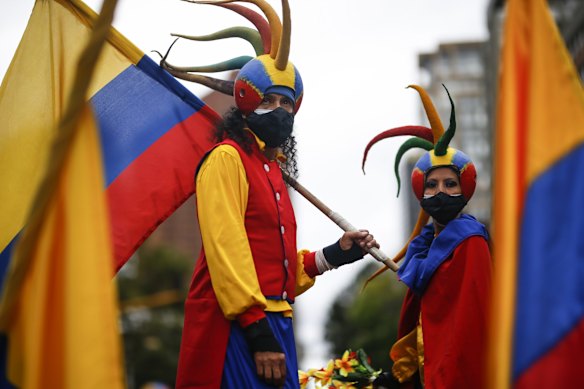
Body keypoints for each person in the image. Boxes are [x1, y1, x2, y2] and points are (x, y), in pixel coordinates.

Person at [170, 1, 379, 388]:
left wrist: (334, 254)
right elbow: (227, 250)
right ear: (248, 103)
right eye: (268, 100)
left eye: (286, 102)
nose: (279, 110)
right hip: (235, 326)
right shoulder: (226, 159)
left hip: (275, 322)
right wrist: (257, 330)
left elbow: (277, 269)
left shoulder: (273, 169)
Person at [363, 85, 492, 389]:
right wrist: (402, 371)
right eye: (432, 185)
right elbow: (425, 321)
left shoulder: (471, 242)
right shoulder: (423, 249)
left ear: (464, 189)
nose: (441, 192)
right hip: (431, 372)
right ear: (421, 192)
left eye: (450, 183)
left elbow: (472, 325)